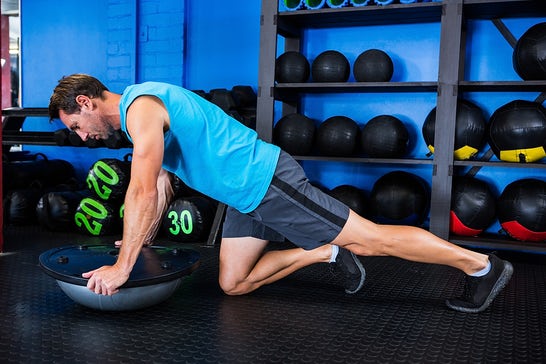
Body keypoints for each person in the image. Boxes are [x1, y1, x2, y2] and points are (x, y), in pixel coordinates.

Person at [48, 74, 513, 313]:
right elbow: (165, 185)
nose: (83, 136)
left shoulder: (141, 109)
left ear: (85, 103)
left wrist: (123, 264)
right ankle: (324, 254)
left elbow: (142, 189)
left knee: (371, 238)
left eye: (75, 126)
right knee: (233, 284)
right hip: (243, 196)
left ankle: (483, 266)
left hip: (268, 182)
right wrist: (139, 241)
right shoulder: (145, 107)